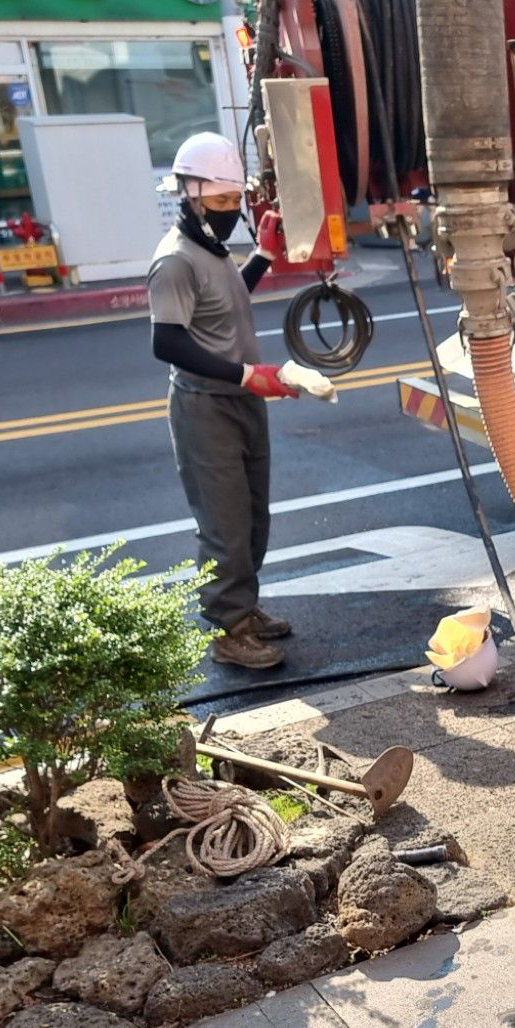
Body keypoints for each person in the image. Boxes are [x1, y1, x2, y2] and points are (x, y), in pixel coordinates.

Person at [148, 131, 333, 670]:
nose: (231, 212)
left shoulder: (212, 250)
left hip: (243, 401)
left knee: (253, 517)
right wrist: (249, 373)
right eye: (222, 203)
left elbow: (224, 305)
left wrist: (264, 257)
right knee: (224, 523)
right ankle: (228, 629)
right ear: (191, 195)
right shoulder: (175, 261)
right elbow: (169, 343)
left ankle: (245, 609)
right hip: (207, 408)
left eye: (236, 202)